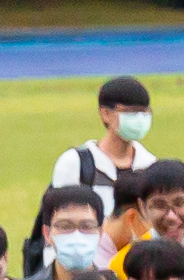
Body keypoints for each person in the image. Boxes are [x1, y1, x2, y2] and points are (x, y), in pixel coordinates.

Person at [45, 74, 153, 215]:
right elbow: (60, 217)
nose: (139, 119)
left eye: (143, 112)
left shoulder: (150, 165)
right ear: (105, 113)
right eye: (129, 112)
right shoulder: (76, 164)